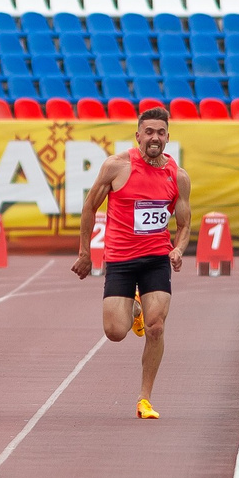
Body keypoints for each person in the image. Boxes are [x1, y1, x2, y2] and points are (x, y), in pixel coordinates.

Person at [72, 103, 191, 419]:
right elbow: (89, 208)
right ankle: (133, 307)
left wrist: (178, 249)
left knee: (156, 327)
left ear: (168, 137)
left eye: (161, 132)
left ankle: (145, 398)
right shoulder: (116, 166)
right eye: (149, 132)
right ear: (138, 135)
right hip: (121, 259)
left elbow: (185, 224)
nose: (155, 137)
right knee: (115, 332)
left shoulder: (178, 176)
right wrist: (85, 253)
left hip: (155, 260)